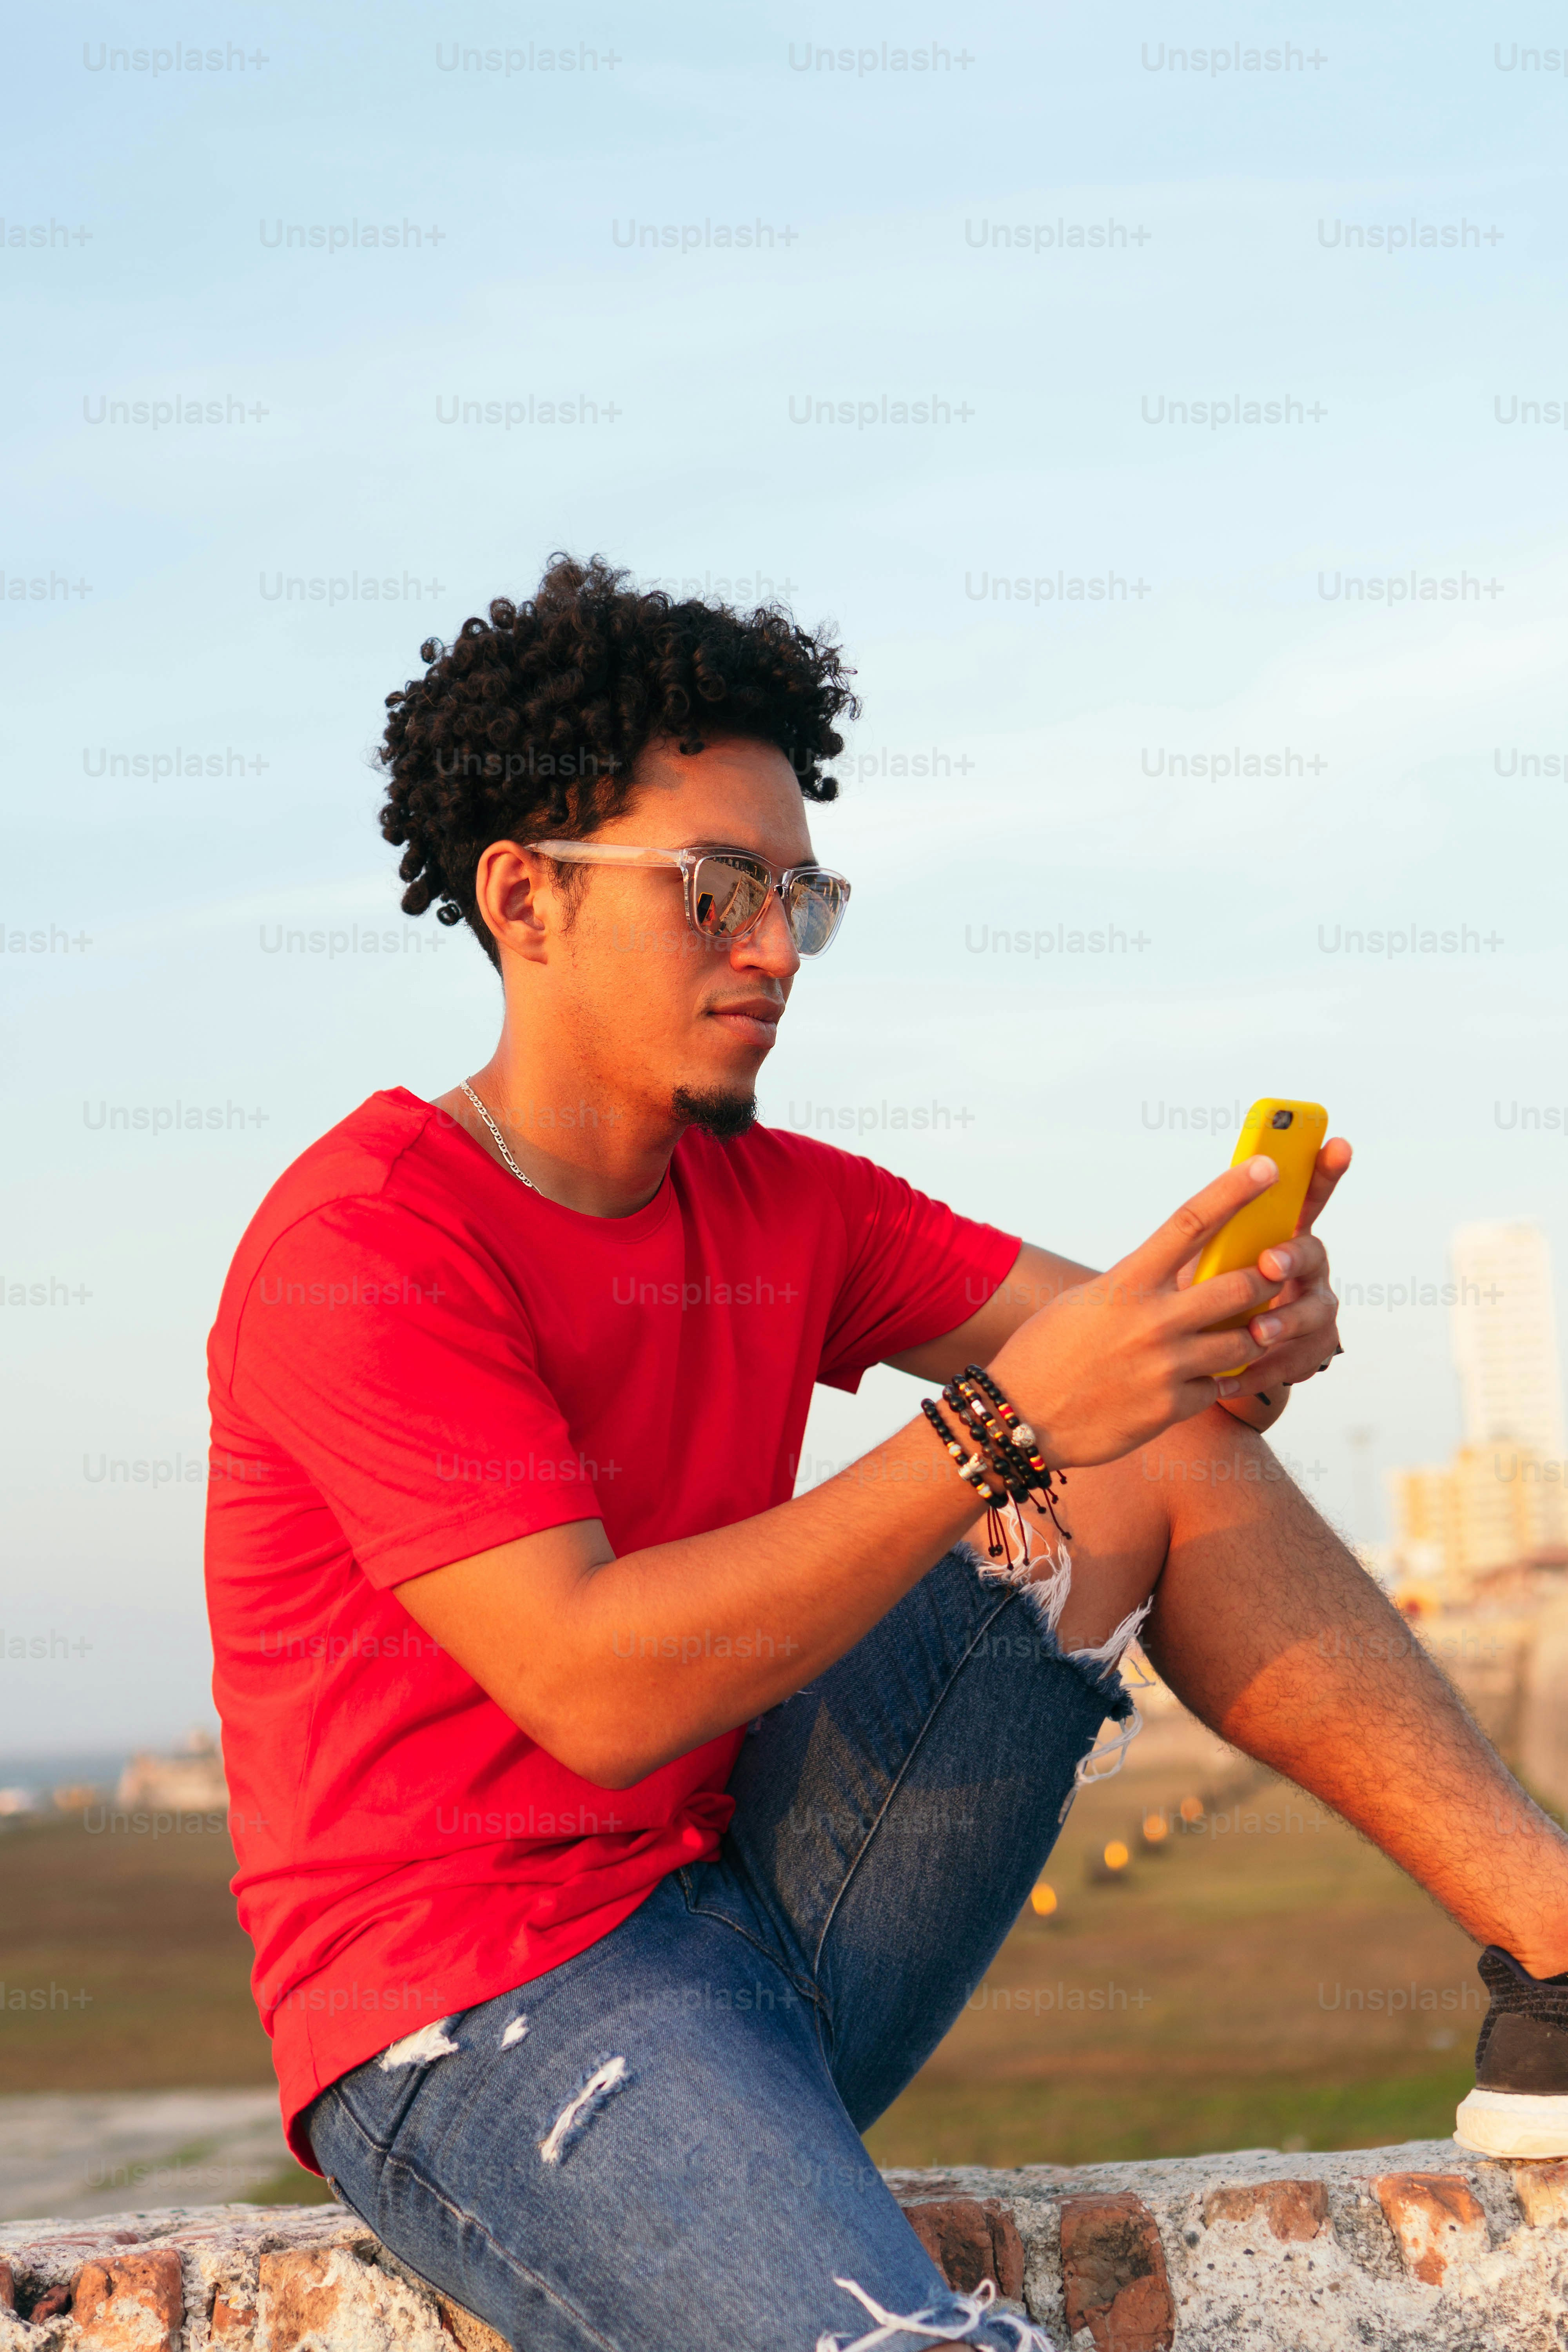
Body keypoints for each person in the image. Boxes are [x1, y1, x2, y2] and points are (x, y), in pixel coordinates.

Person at [205, 555, 1568, 2352]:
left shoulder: (782, 1199)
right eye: (712, 891)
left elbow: (1126, 1381)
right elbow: (598, 1690)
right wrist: (1004, 1426)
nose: (772, 950)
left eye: (798, 897)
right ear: (523, 900)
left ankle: (1556, 1955)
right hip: (476, 2020)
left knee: (1163, 1453)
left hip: (751, 1922)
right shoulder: (367, 1245)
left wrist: (1233, 1332)